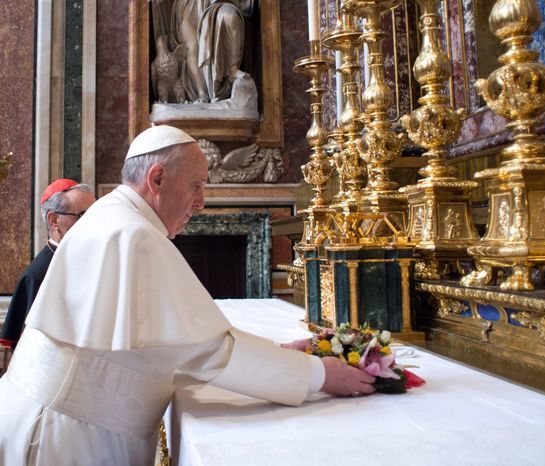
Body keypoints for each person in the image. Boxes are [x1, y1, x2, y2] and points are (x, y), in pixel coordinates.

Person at [0, 125, 375, 465]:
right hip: (64, 439)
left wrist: (278, 353)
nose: (201, 201)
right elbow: (209, 353)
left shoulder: (113, 218)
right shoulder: (132, 234)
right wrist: (319, 375)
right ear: (157, 178)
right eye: (196, 185)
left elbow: (161, 346)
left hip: (65, 422)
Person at [0, 179, 95, 349]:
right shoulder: (37, 276)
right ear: (54, 220)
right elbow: (29, 350)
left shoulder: (91, 259)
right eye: (82, 215)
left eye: (94, 215)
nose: (92, 223)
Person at [171, 0, 254, 102]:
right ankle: (202, 93)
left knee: (230, 17)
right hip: (190, 3)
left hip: (220, 3)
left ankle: (232, 70)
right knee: (191, 46)